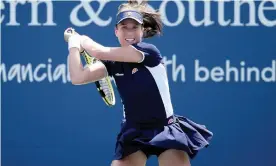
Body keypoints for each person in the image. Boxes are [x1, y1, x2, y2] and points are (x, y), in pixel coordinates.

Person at [65, 1, 213, 166]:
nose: (130, 32)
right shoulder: (112, 63)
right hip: (133, 132)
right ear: (116, 31)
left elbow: (98, 51)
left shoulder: (149, 52)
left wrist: (81, 39)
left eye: (134, 27)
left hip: (165, 128)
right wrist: (73, 46)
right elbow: (77, 77)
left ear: (142, 30)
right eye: (124, 27)